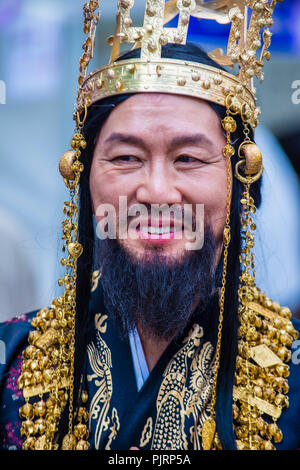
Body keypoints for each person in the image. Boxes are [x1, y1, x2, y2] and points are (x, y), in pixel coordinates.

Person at [0, 1, 300, 451]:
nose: (157, 192)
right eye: (126, 158)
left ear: (239, 182)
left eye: (189, 159)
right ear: (85, 182)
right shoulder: (13, 362)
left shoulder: (292, 372)